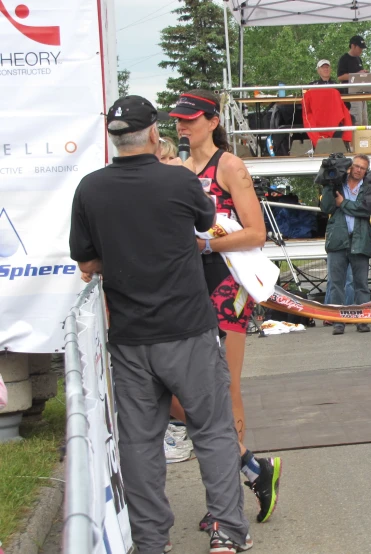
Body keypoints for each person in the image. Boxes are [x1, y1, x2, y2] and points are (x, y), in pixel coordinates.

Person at [69, 95, 252, 553]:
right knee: (211, 429)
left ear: (112, 139)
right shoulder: (178, 181)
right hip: (187, 327)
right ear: (154, 133)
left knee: (139, 442)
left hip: (129, 336)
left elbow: (87, 260)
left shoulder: (90, 189)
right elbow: (208, 225)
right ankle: (227, 531)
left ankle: (150, 541)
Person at [168, 89, 281, 530]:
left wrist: (207, 243)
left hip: (226, 283)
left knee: (225, 388)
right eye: (178, 119)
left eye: (191, 119)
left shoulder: (229, 165)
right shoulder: (175, 169)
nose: (182, 126)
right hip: (186, 286)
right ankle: (252, 469)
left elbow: (256, 233)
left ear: (212, 121)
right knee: (184, 395)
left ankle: (225, 501)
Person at [320, 154, 371, 335]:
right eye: (356, 166)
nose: (359, 170)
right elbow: (326, 208)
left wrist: (343, 203)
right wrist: (328, 186)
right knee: (336, 283)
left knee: (361, 284)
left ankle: (362, 319)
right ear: (350, 167)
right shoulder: (337, 185)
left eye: (363, 168)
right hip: (337, 240)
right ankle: (338, 321)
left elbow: (364, 209)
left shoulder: (368, 188)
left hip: (360, 241)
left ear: (366, 171)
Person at [337, 35, 369, 126]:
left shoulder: (358, 59)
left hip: (361, 92)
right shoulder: (344, 59)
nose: (361, 51)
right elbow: (340, 77)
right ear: (353, 46)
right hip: (351, 94)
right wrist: (357, 75)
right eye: (360, 48)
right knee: (356, 120)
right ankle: (355, 139)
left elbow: (359, 74)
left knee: (364, 120)